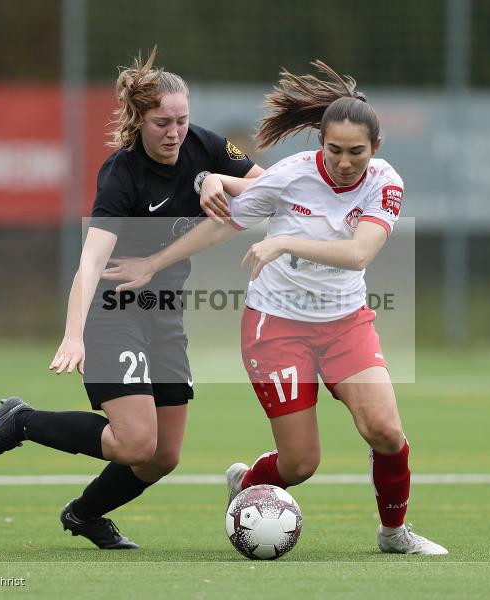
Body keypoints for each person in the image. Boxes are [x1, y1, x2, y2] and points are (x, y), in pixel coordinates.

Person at [102, 61, 448, 555]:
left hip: (346, 323)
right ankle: (247, 484)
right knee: (300, 464)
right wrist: (157, 258)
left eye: (357, 152)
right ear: (320, 143)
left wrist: (283, 240)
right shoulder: (291, 175)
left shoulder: (385, 183)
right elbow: (222, 225)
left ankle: (394, 533)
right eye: (334, 150)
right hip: (277, 328)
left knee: (386, 431)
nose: (344, 162)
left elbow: (359, 254)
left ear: (376, 147)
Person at [0, 48, 263, 550]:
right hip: (113, 312)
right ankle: (22, 422)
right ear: (139, 120)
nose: (175, 133)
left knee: (164, 455)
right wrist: (73, 335)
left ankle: (84, 514)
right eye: (162, 123)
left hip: (164, 314)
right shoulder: (121, 175)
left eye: (182, 121)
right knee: (136, 442)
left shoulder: (206, 147)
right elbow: (90, 262)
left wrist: (217, 179)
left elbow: (268, 191)